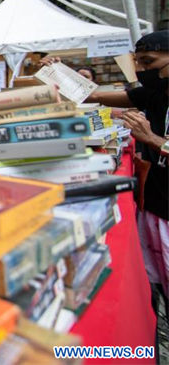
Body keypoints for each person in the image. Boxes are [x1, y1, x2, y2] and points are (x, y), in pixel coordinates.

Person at [44, 30, 168, 351]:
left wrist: (154, 140)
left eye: (149, 62)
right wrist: (59, 72)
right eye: (137, 63)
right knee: (155, 279)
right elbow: (92, 95)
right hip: (156, 202)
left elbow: (154, 139)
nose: (141, 70)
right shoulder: (155, 93)